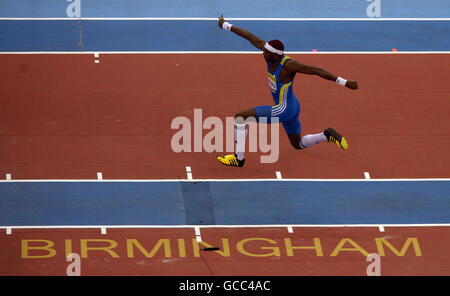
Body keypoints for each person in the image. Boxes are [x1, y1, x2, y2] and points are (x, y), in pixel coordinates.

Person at [216, 15, 358, 167]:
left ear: (275, 56)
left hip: (283, 109)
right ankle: (325, 135)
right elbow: (250, 37)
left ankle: (239, 158)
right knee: (297, 144)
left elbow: (316, 70)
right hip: (292, 106)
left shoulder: (288, 66)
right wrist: (227, 26)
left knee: (240, 117)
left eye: (266, 53)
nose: (263, 54)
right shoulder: (270, 54)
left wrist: (344, 82)